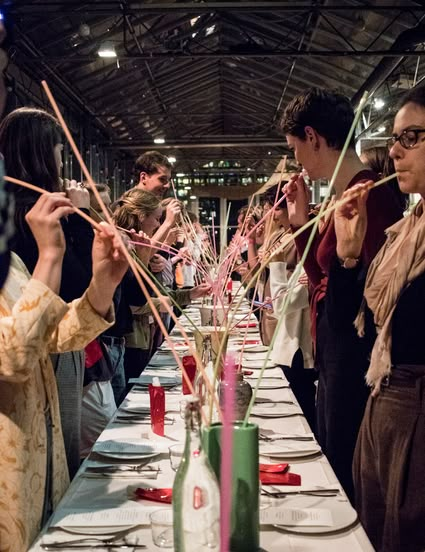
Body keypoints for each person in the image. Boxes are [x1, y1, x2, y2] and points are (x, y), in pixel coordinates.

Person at [280, 87, 404, 500]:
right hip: (335, 356)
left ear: (312, 137)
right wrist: (301, 227)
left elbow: (370, 299)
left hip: (355, 363)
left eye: (295, 147)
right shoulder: (344, 195)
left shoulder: (367, 195)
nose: (296, 159)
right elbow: (325, 285)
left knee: (344, 481)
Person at [0, 187, 127, 551]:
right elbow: (13, 355)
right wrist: (50, 255)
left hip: (39, 460)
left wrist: (103, 284)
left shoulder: (10, 263)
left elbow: (51, 337)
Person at [331, 86, 425, 552]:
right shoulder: (406, 231)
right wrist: (348, 256)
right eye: (394, 138)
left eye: (411, 137)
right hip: (384, 406)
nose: (394, 150)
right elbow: (356, 329)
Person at [0, 107, 95, 478]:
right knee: (51, 456)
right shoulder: (39, 216)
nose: (61, 163)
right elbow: (73, 288)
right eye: (59, 152)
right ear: (45, 154)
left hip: (47, 344)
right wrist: (80, 224)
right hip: (40, 358)